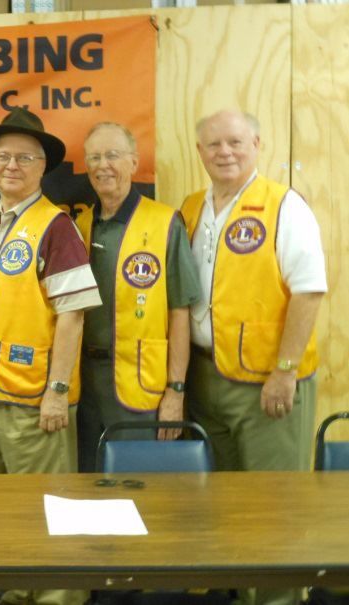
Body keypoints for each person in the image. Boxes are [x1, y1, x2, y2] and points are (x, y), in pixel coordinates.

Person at [181, 110, 327, 605]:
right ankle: (242, 594)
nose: (225, 152)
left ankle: (280, 599)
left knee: (273, 504)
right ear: (199, 152)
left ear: (257, 144)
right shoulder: (191, 208)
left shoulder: (284, 205)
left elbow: (309, 292)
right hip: (206, 377)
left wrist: (284, 372)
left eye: (236, 142)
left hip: (268, 383)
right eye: (214, 144)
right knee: (225, 503)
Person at [0, 107, 100, 605]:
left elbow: (73, 315)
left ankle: (59, 596)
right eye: (2, 157)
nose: (11, 165)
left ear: (43, 167)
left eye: (24, 157)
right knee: (3, 508)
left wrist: (57, 393)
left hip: (35, 398)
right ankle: (18, 591)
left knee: (50, 506)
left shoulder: (56, 226)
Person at [75, 122, 200, 472]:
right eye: (95, 157)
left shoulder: (164, 223)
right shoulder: (80, 225)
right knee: (89, 485)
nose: (103, 165)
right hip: (84, 387)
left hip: (142, 387)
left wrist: (176, 390)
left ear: (133, 161)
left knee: (141, 490)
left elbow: (180, 312)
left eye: (112, 155)